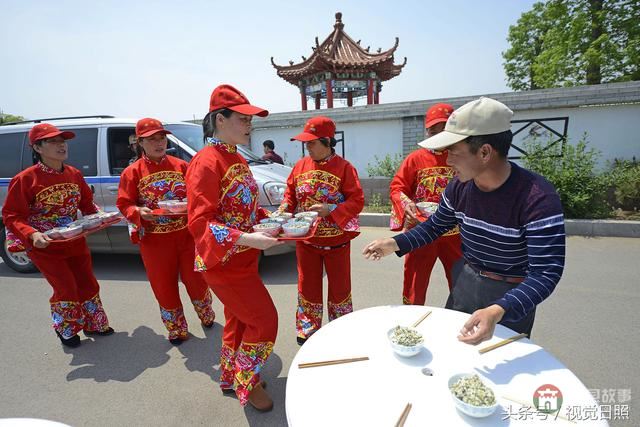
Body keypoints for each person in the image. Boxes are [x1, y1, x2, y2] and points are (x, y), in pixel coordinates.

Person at [363, 97, 565, 344]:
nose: (447, 161)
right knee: (455, 352)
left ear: (484, 152)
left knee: (500, 364)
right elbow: (437, 225)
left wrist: (498, 310)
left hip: (511, 294)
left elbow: (546, 272)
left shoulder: (537, 198)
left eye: (454, 153)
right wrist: (394, 243)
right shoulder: (459, 187)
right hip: (466, 281)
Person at [186, 84, 283, 411]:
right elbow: (201, 222)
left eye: (249, 119)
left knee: (239, 321)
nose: (249, 125)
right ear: (220, 119)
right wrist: (248, 238)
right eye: (242, 118)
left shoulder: (234, 156)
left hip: (243, 258)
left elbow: (242, 207)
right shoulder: (206, 162)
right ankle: (247, 380)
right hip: (223, 263)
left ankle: (230, 374)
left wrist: (271, 218)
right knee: (265, 321)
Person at [2, 123, 114, 348]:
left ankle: (95, 323)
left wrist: (100, 216)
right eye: (53, 141)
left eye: (62, 141)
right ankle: (67, 328)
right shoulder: (26, 179)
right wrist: (32, 234)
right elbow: (11, 215)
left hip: (74, 240)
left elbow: (86, 204)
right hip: (45, 246)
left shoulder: (74, 174)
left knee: (88, 283)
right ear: (38, 148)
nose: (61, 145)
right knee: (65, 287)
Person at [116, 118, 215, 345]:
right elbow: (124, 204)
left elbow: (198, 194)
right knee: (164, 285)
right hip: (155, 240)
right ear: (140, 142)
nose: (159, 143)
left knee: (197, 279)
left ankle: (206, 314)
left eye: (161, 137)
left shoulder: (181, 166)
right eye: (152, 139)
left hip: (185, 235)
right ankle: (176, 328)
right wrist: (138, 211)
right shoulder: (132, 173)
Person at [276, 116, 364, 345]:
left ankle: (340, 327)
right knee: (308, 286)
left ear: (327, 142)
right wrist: (284, 210)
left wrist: (332, 208)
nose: (308, 147)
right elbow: (290, 194)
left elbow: (357, 201)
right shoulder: (300, 166)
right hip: (306, 240)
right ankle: (308, 327)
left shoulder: (345, 168)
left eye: (312, 143)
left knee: (340, 287)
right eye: (306, 143)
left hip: (337, 241)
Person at [389, 103, 462, 305]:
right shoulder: (415, 159)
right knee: (415, 283)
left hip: (455, 233)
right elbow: (397, 187)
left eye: (443, 130)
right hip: (422, 230)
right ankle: (412, 324)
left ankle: (461, 322)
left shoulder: (462, 157)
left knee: (461, 281)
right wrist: (407, 204)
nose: (438, 135)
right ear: (427, 131)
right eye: (433, 130)